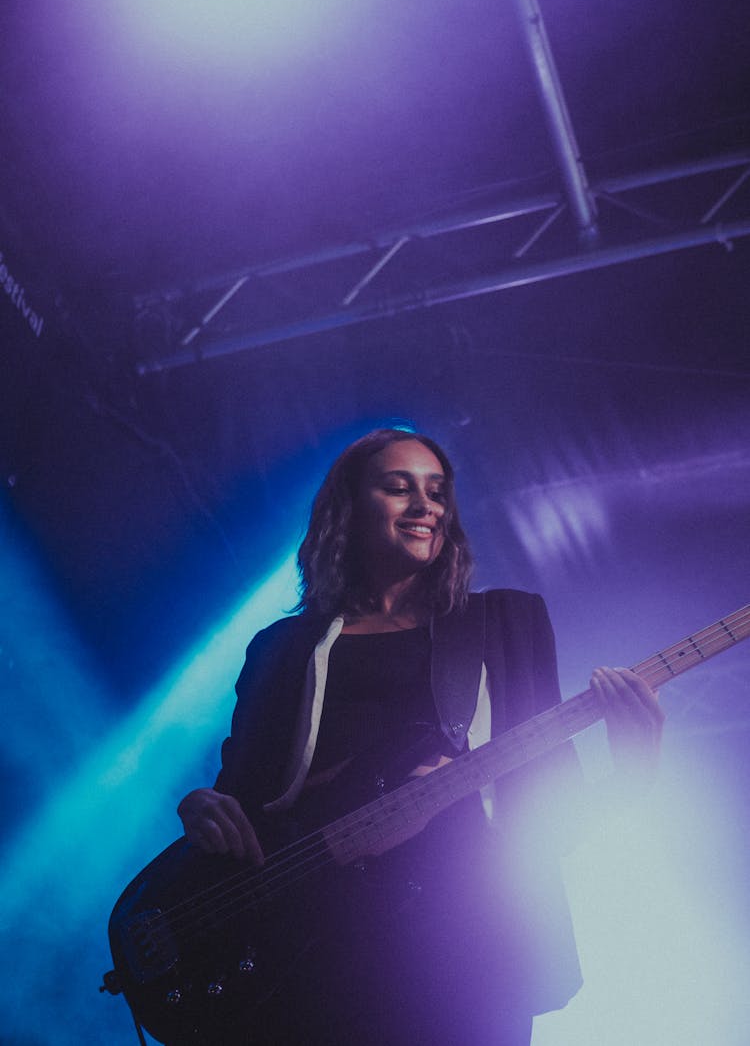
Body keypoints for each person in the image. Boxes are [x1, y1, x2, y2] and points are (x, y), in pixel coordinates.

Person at [177, 428, 664, 1046]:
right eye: (398, 487)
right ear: (348, 509)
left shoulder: (507, 624)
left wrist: (631, 776)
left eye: (436, 492)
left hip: (467, 951)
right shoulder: (281, 648)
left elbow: (547, 817)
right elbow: (241, 806)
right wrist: (202, 809)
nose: (425, 506)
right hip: (309, 952)